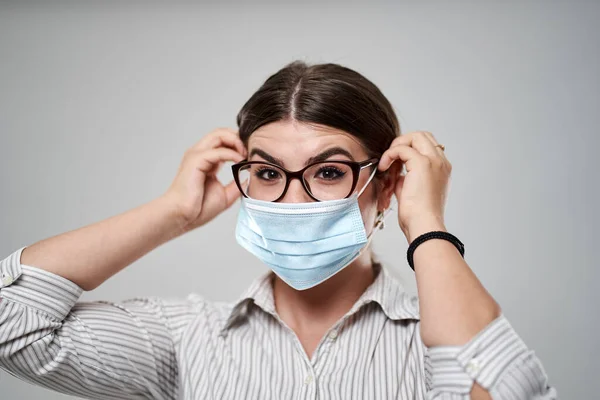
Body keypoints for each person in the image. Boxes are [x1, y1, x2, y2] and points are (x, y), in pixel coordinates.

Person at [0, 61, 557, 400]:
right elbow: (11, 320)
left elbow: (502, 392)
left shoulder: (431, 337)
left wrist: (428, 227)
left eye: (329, 172)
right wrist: (173, 213)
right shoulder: (187, 340)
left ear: (386, 186)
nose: (292, 198)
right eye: (267, 173)